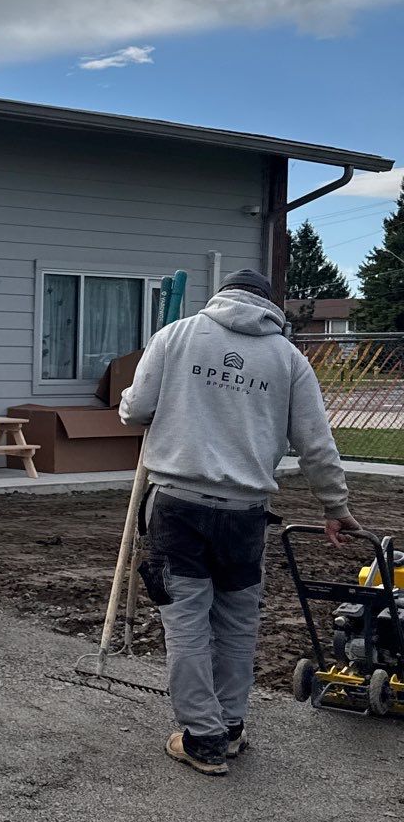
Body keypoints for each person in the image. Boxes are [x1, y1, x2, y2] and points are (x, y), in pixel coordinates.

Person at [118, 266, 360, 776]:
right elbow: (316, 443)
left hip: (179, 504)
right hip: (244, 514)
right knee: (235, 622)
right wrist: (335, 507)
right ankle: (228, 726)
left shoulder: (176, 336)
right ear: (270, 305)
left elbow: (135, 410)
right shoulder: (288, 359)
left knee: (185, 622)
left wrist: (141, 406)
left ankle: (202, 737)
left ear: (221, 297)